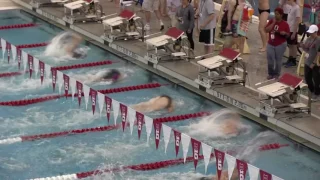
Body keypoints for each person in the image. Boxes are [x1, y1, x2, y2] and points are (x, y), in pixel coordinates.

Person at [265, 8, 290, 80]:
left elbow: (288, 35)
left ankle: (276, 74)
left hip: (280, 44)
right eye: (275, 14)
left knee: (278, 60)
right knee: (270, 60)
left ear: (281, 15)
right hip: (271, 43)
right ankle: (270, 73)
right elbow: (266, 30)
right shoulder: (271, 21)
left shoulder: (285, 24)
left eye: (277, 14)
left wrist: (284, 33)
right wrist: (273, 23)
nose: (276, 15)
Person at [300, 25, 320, 100]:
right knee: (307, 77)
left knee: (316, 78)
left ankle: (317, 93)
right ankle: (311, 90)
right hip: (308, 60)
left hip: (315, 62)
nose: (310, 34)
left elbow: (319, 53)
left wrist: (314, 63)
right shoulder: (309, 39)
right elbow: (306, 49)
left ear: (316, 32)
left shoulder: (318, 40)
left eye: (312, 33)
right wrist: (302, 45)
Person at [283, 0, 301, 67]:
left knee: (293, 45)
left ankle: (293, 60)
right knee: (290, 45)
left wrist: (294, 33)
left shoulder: (297, 8)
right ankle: (290, 58)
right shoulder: (291, 7)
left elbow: (297, 21)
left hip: (293, 30)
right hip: (289, 29)